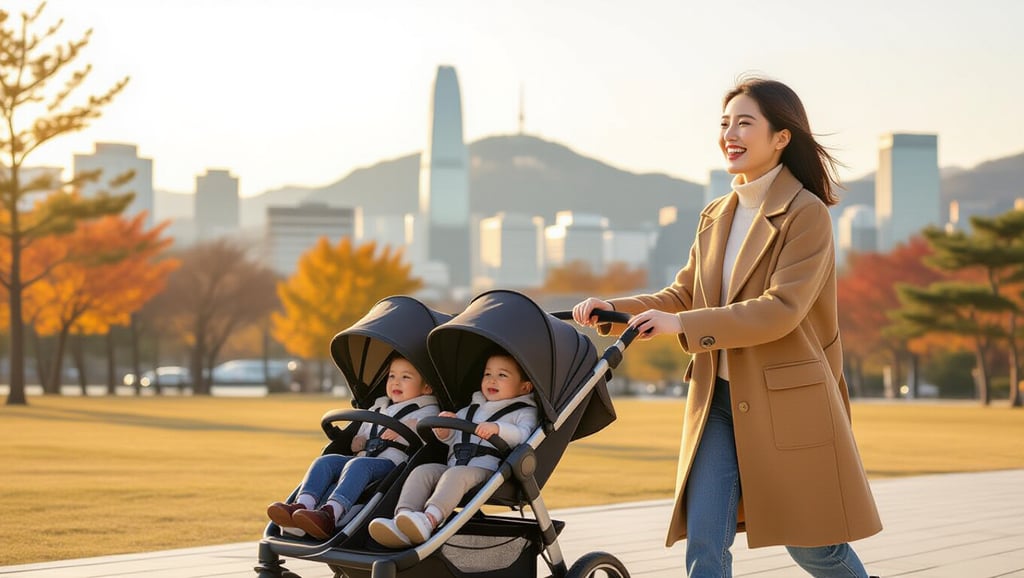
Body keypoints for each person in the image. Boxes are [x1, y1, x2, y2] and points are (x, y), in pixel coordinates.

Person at [572, 77, 882, 577]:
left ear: (781, 137)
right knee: (705, 541)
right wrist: (613, 308)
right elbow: (683, 294)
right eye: (724, 123)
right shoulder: (716, 213)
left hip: (788, 404)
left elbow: (780, 309)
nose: (729, 134)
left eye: (744, 123)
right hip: (715, 398)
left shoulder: (806, 214)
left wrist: (680, 324)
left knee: (814, 548)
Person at [368, 347, 538, 548]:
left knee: (455, 474)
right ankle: (403, 519)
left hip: (489, 471)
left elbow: (524, 434)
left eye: (502, 375)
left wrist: (498, 429)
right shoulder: (469, 410)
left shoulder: (524, 412)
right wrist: (444, 431)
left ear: (525, 387)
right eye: (487, 374)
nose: (492, 380)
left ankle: (429, 519)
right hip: (454, 467)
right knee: (422, 471)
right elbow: (453, 440)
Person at [266, 353, 439, 540]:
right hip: (362, 459)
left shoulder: (428, 409)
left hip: (391, 464)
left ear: (427, 387)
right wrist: (358, 441)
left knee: (357, 465)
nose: (396, 382)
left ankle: (331, 513)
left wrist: (407, 427)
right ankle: (302, 506)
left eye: (405, 377)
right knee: (325, 461)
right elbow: (360, 435)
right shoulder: (377, 408)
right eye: (391, 376)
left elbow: (427, 430)